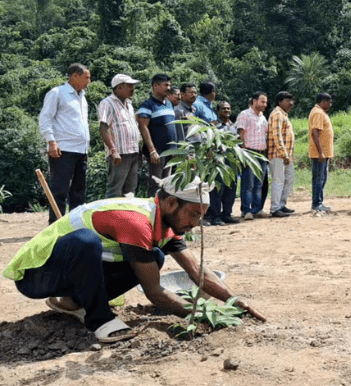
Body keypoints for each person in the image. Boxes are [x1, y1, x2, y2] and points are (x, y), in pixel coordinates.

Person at [2, 175, 266, 343]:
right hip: (36, 276)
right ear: (171, 202)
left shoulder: (167, 223)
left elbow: (195, 270)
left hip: (64, 275)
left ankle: (71, 303)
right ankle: (100, 320)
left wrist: (233, 301)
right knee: (86, 241)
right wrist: (207, 314)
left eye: (201, 216)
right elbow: (154, 292)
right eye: (194, 214)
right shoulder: (136, 221)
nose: (196, 223)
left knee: (156, 257)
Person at [39, 63, 91, 224]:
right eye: (86, 77)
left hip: (81, 150)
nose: (89, 81)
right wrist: (51, 141)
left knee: (78, 192)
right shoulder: (57, 93)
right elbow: (45, 118)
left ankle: (75, 224)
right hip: (63, 149)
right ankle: (55, 224)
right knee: (60, 190)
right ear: (74, 76)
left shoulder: (82, 96)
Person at [98, 74, 141, 198]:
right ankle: (110, 216)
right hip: (119, 153)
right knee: (115, 189)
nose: (133, 88)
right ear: (119, 87)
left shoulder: (129, 104)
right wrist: (113, 150)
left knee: (130, 190)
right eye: (129, 85)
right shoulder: (107, 103)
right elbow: (103, 127)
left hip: (132, 152)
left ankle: (125, 216)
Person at [137, 74, 176, 197]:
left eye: (169, 85)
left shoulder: (169, 104)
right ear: (155, 86)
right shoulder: (147, 105)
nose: (168, 88)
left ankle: (163, 214)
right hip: (157, 152)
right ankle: (153, 212)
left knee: (167, 184)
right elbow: (143, 127)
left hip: (170, 152)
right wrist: (152, 150)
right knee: (155, 184)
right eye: (166, 85)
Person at [236, 92, 269, 220]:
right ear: (254, 101)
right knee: (247, 183)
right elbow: (241, 134)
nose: (265, 104)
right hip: (249, 153)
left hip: (261, 154)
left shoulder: (262, 117)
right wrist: (243, 154)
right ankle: (246, 210)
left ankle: (257, 209)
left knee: (259, 184)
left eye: (265, 102)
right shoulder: (245, 115)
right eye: (262, 101)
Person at [205, 101, 239, 226]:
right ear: (217, 111)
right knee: (218, 190)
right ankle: (215, 216)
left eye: (228, 108)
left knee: (231, 189)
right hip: (218, 161)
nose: (227, 111)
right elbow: (209, 142)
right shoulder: (214, 125)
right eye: (224, 109)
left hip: (232, 161)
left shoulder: (233, 125)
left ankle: (227, 214)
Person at [268, 91, 296, 218]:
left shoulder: (284, 115)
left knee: (288, 180)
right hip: (278, 155)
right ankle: (275, 208)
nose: (291, 103)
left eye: (291, 100)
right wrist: (284, 154)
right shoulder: (278, 114)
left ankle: (281, 205)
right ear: (280, 102)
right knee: (278, 181)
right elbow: (277, 135)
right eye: (287, 100)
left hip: (286, 155)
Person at [309, 93, 334, 212]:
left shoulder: (321, 112)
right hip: (320, 154)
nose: (330, 104)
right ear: (323, 102)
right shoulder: (318, 113)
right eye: (329, 102)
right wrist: (321, 153)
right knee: (319, 179)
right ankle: (316, 204)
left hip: (324, 153)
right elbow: (315, 133)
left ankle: (319, 202)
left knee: (322, 178)